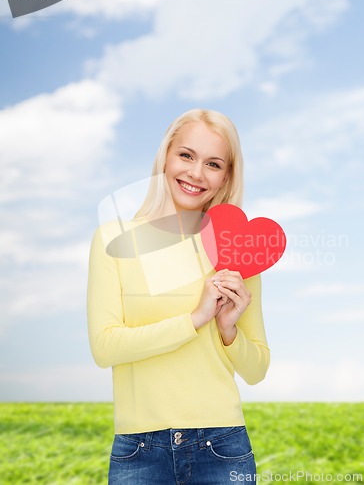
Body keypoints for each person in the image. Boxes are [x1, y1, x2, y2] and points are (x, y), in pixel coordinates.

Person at [87, 109, 270, 484]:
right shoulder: (112, 239)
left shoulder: (238, 250)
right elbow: (105, 347)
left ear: (226, 176)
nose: (196, 173)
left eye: (213, 163)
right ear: (166, 156)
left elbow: (257, 370)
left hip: (222, 447)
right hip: (139, 450)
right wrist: (195, 319)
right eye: (186, 155)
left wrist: (228, 331)